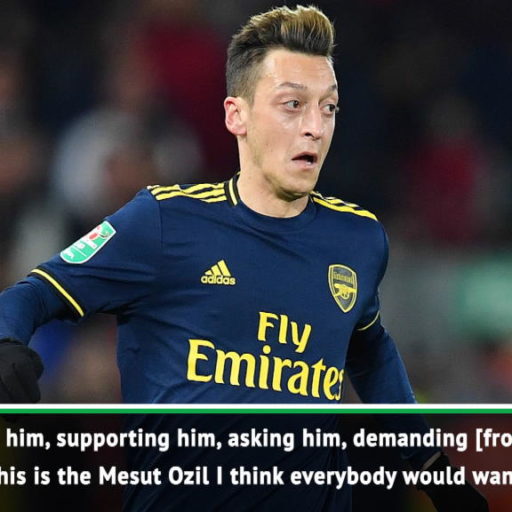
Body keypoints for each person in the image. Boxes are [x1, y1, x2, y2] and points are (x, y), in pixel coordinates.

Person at [0, 5, 488, 511]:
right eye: (293, 105)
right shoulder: (164, 222)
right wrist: (7, 341)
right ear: (238, 115)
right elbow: (33, 293)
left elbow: (368, 350)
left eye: (328, 108)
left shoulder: (358, 238)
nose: (315, 127)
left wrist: (434, 469)